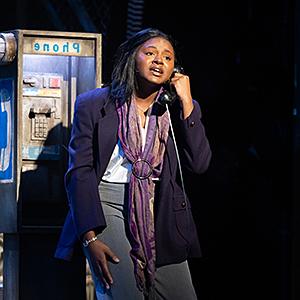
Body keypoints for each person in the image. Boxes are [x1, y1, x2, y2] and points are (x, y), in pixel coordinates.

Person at [55, 27, 212, 300]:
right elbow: (79, 172)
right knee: (125, 293)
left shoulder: (174, 108)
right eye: (150, 53)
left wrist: (187, 102)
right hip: (106, 203)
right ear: (132, 58)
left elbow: (199, 164)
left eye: (167, 57)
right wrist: (90, 238)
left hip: (159, 206)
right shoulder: (94, 104)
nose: (158, 61)